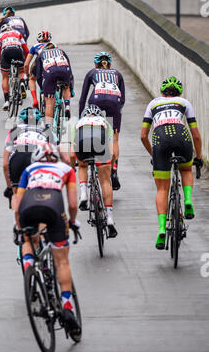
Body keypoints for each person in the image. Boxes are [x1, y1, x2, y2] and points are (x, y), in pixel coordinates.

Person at [14, 143, 81, 338]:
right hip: (53, 206)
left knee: (28, 238)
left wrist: (20, 229)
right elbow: (72, 203)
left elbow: (17, 206)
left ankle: (29, 268)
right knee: (61, 261)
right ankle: (67, 307)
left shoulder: (29, 169)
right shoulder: (67, 169)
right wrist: (73, 222)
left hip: (28, 206)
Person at [140, 76, 203, 250]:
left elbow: (143, 135)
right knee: (186, 169)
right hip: (181, 136)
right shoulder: (184, 102)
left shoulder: (153, 104)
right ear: (179, 92)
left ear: (162, 92)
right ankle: (188, 201)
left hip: (160, 139)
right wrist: (198, 157)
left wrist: (153, 153)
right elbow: (196, 134)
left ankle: (161, 228)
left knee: (162, 189)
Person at [3, 106, 69, 212]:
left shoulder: (15, 130)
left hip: (18, 158)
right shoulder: (47, 131)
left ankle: (18, 224)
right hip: (37, 158)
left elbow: (5, 164)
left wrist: (9, 187)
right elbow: (65, 158)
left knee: (16, 194)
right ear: (39, 121)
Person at [79, 52, 125, 190]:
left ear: (96, 64)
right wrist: (116, 113)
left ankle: (88, 159)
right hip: (114, 102)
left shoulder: (92, 72)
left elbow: (83, 98)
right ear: (109, 64)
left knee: (91, 129)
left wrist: (82, 118)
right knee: (114, 139)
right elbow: (122, 99)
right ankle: (114, 169)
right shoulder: (118, 74)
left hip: (96, 100)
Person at [70, 104, 118, 238]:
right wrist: (110, 165)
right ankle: (109, 218)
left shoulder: (78, 123)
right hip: (101, 145)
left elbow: (72, 154)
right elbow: (112, 152)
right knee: (105, 182)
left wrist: (73, 167)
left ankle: (84, 193)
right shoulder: (105, 122)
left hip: (82, 145)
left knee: (83, 166)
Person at [35, 43, 74, 122]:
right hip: (64, 70)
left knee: (49, 102)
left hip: (50, 72)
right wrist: (71, 88)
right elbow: (70, 72)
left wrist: (42, 89)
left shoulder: (41, 54)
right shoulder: (61, 51)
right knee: (66, 88)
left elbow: (38, 75)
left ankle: (48, 127)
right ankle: (67, 106)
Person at [0, 24, 29, 111]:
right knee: (21, 71)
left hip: (6, 51)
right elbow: (26, 49)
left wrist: (1, 61)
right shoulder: (17, 33)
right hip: (18, 50)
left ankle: (6, 101)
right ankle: (22, 82)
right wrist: (25, 60)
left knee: (5, 77)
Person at [23, 30, 53, 109]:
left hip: (39, 64)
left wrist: (27, 75)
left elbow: (26, 64)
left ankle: (35, 100)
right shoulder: (54, 46)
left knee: (32, 79)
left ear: (38, 39)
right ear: (49, 39)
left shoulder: (35, 46)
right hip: (51, 64)